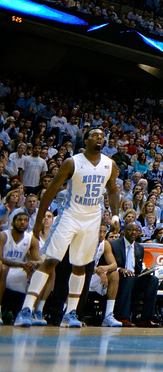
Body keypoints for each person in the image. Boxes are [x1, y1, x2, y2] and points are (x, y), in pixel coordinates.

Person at [15, 127, 120, 328]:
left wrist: (115, 215)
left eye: (102, 136)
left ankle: (70, 313)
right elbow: (50, 191)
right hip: (70, 215)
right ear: (86, 141)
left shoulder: (109, 164)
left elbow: (113, 191)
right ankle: (26, 308)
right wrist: (38, 221)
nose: (99, 138)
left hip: (92, 219)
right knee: (51, 260)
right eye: (95, 136)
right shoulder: (72, 162)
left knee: (80, 266)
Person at [110, 221, 159, 326]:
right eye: (130, 230)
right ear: (124, 231)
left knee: (153, 280)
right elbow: (107, 263)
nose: (133, 232)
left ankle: (146, 318)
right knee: (129, 277)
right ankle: (122, 317)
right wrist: (120, 269)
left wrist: (144, 272)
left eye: (136, 230)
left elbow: (137, 268)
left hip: (133, 278)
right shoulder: (114, 245)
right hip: (118, 277)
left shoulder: (139, 247)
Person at [0, 212, 36, 316]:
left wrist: (32, 264)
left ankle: (33, 310)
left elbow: (38, 260)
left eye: (25, 220)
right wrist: (21, 264)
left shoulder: (31, 239)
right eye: (19, 220)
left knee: (41, 272)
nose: (22, 222)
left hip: (20, 270)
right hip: (5, 268)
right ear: (12, 223)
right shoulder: (3, 236)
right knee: (3, 267)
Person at [88, 225, 121, 327]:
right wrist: (100, 272)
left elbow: (114, 265)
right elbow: (81, 264)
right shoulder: (86, 240)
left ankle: (108, 315)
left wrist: (104, 269)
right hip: (80, 273)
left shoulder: (105, 244)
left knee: (114, 275)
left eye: (104, 232)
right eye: (99, 232)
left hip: (93, 275)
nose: (102, 235)